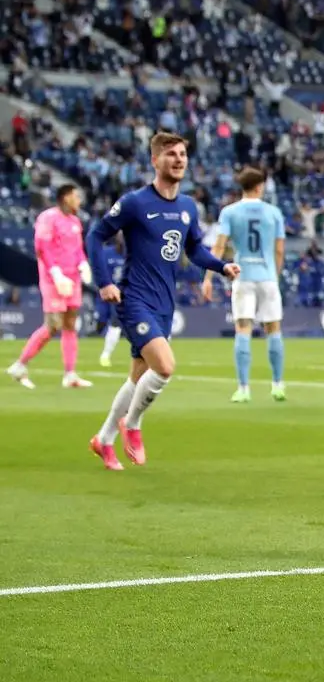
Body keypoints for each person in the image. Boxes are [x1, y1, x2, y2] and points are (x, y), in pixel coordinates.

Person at [85, 132, 240, 471]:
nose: (179, 159)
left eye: (183, 154)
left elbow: (195, 249)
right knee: (165, 367)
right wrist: (104, 282)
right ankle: (134, 425)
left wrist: (221, 266)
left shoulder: (187, 207)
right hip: (134, 298)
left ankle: (103, 439)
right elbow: (95, 235)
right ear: (155, 161)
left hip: (164, 303)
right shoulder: (135, 202)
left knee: (137, 378)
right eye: (171, 154)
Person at [201, 167, 288, 403]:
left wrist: (208, 277)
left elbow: (218, 247)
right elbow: (279, 250)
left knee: (243, 329)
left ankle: (243, 388)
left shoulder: (229, 212)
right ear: (260, 186)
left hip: (243, 276)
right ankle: (278, 385)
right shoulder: (274, 213)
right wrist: (275, 276)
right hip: (267, 276)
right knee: (273, 330)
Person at [7, 183, 94, 389]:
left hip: (72, 278)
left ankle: (70, 374)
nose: (79, 201)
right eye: (76, 197)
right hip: (53, 279)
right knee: (53, 325)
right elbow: (42, 247)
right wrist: (55, 273)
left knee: (70, 323)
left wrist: (83, 264)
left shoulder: (75, 221)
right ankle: (20, 364)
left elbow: (78, 248)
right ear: (65, 198)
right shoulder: (48, 218)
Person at [95, 233, 126, 368]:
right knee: (109, 323)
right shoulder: (107, 253)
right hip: (110, 292)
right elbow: (100, 271)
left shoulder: (137, 253)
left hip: (131, 293)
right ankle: (106, 354)